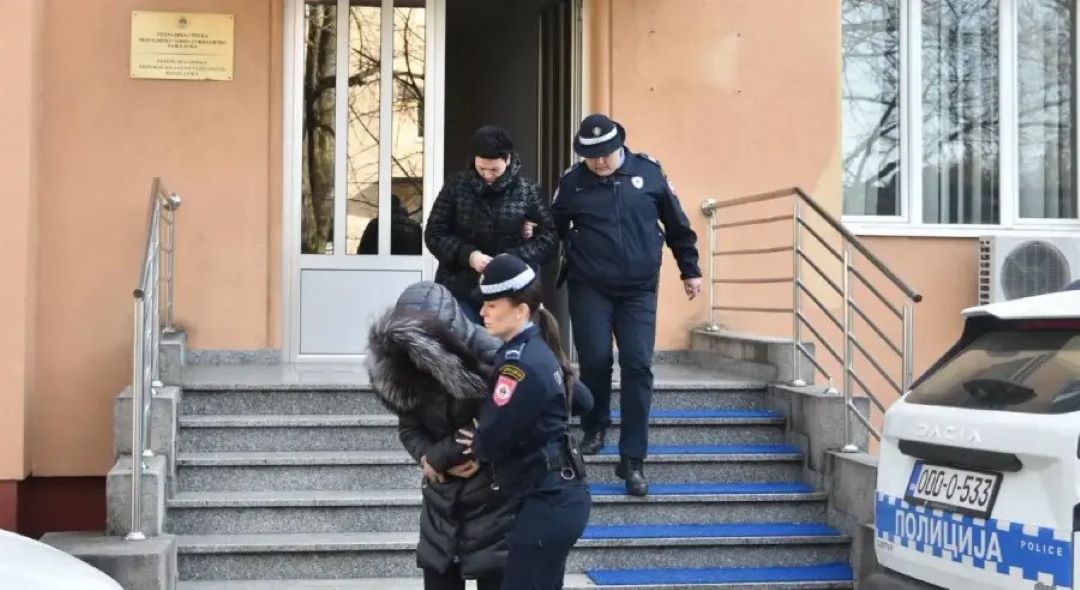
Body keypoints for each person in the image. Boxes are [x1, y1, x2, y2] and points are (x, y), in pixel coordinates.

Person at [551, 113, 703, 496]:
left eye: (605, 153)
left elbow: (678, 225)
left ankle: (633, 459)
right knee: (595, 358)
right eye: (592, 156)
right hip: (589, 286)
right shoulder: (572, 183)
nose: (600, 161)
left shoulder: (649, 174)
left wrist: (690, 270)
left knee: (637, 365)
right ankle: (595, 424)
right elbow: (551, 230)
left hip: (638, 289)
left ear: (620, 145)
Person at [454, 254, 592, 590]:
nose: (483, 312)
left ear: (520, 311)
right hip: (555, 496)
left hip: (547, 500)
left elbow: (492, 440)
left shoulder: (520, 365)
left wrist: (479, 441)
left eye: (492, 305)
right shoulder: (536, 349)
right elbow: (585, 402)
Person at [366, 281, 512, 590]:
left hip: (493, 494)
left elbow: (496, 421)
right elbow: (409, 427)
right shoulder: (401, 361)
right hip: (441, 498)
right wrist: (425, 458)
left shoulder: (490, 353)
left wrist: (438, 457)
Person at [425, 125, 558, 324]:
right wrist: (469, 256)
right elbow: (434, 233)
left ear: (508, 159)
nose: (487, 175)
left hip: (509, 290)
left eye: (494, 169)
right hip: (460, 285)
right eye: (482, 168)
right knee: (461, 338)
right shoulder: (456, 185)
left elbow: (549, 238)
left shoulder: (527, 190)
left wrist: (511, 258)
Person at [356, 193, 423, 255]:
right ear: (399, 206)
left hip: (382, 263)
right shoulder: (415, 226)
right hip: (409, 263)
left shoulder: (376, 223)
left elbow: (364, 251)